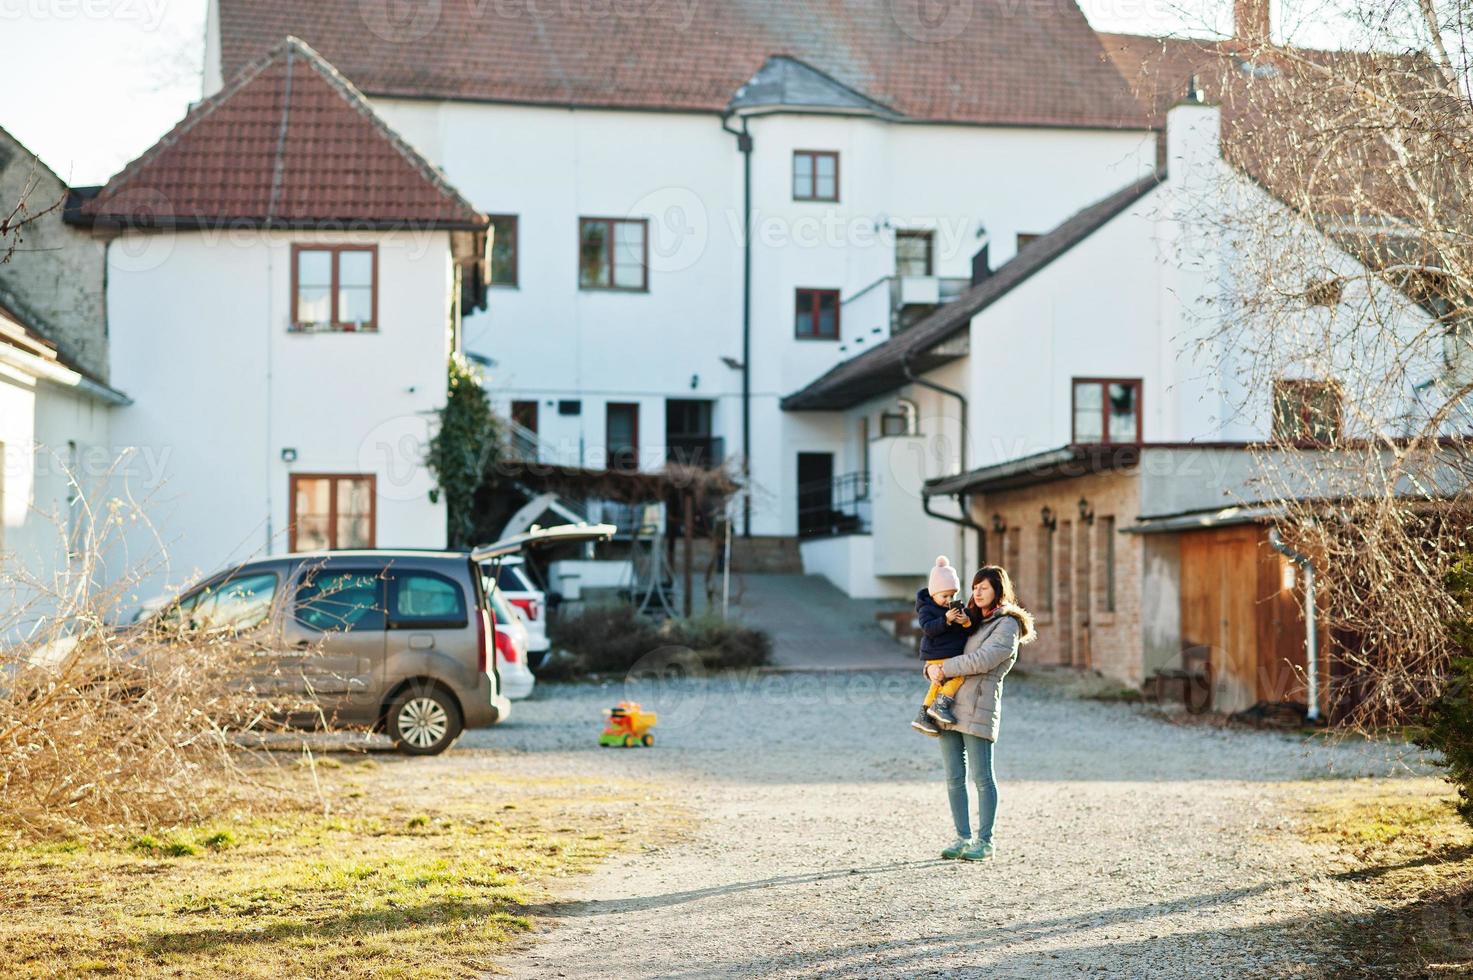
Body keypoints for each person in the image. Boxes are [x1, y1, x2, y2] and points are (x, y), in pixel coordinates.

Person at [927, 565, 1035, 862]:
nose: (977, 591)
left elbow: (984, 659)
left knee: (982, 777)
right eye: (975, 586)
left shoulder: (1007, 624)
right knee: (953, 777)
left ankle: (985, 841)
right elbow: (943, 649)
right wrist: (931, 668)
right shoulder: (971, 621)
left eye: (984, 587)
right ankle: (962, 837)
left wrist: (945, 668)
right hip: (947, 705)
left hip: (978, 706)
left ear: (998, 591)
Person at [910, 556, 976, 735]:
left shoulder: (956, 608)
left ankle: (923, 716)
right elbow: (928, 629)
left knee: (937, 683)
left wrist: (965, 622)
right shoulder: (927, 609)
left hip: (948, 653)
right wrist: (945, 620)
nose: (949, 600)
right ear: (933, 594)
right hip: (938, 652)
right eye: (944, 596)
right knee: (958, 677)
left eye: (952, 595)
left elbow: (968, 631)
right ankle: (940, 705)